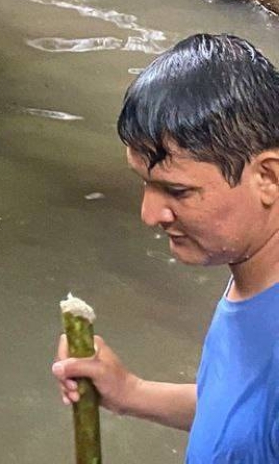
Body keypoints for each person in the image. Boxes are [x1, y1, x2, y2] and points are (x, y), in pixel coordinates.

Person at [52, 33, 279, 462]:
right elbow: (241, 416)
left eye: (177, 191)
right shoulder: (252, 277)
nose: (150, 214)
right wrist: (130, 393)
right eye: (146, 185)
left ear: (266, 177)